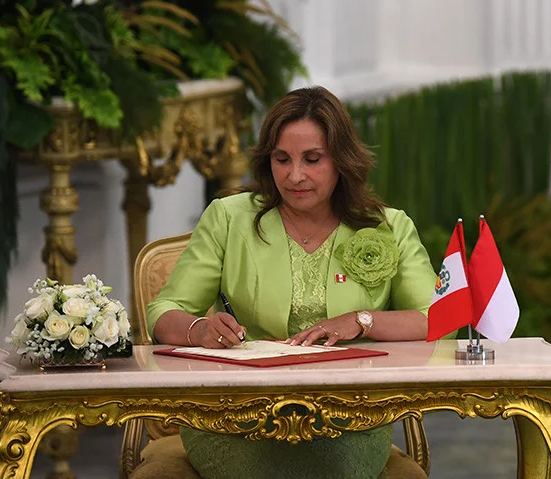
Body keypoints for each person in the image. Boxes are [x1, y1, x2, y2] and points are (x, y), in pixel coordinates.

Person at [147, 86, 437, 479]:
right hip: (236, 420)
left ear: (342, 161)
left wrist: (362, 319)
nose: (294, 175)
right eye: (282, 159)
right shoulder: (229, 218)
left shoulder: (389, 227)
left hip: (350, 421)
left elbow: (436, 318)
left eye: (312, 159)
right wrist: (199, 330)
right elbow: (162, 313)